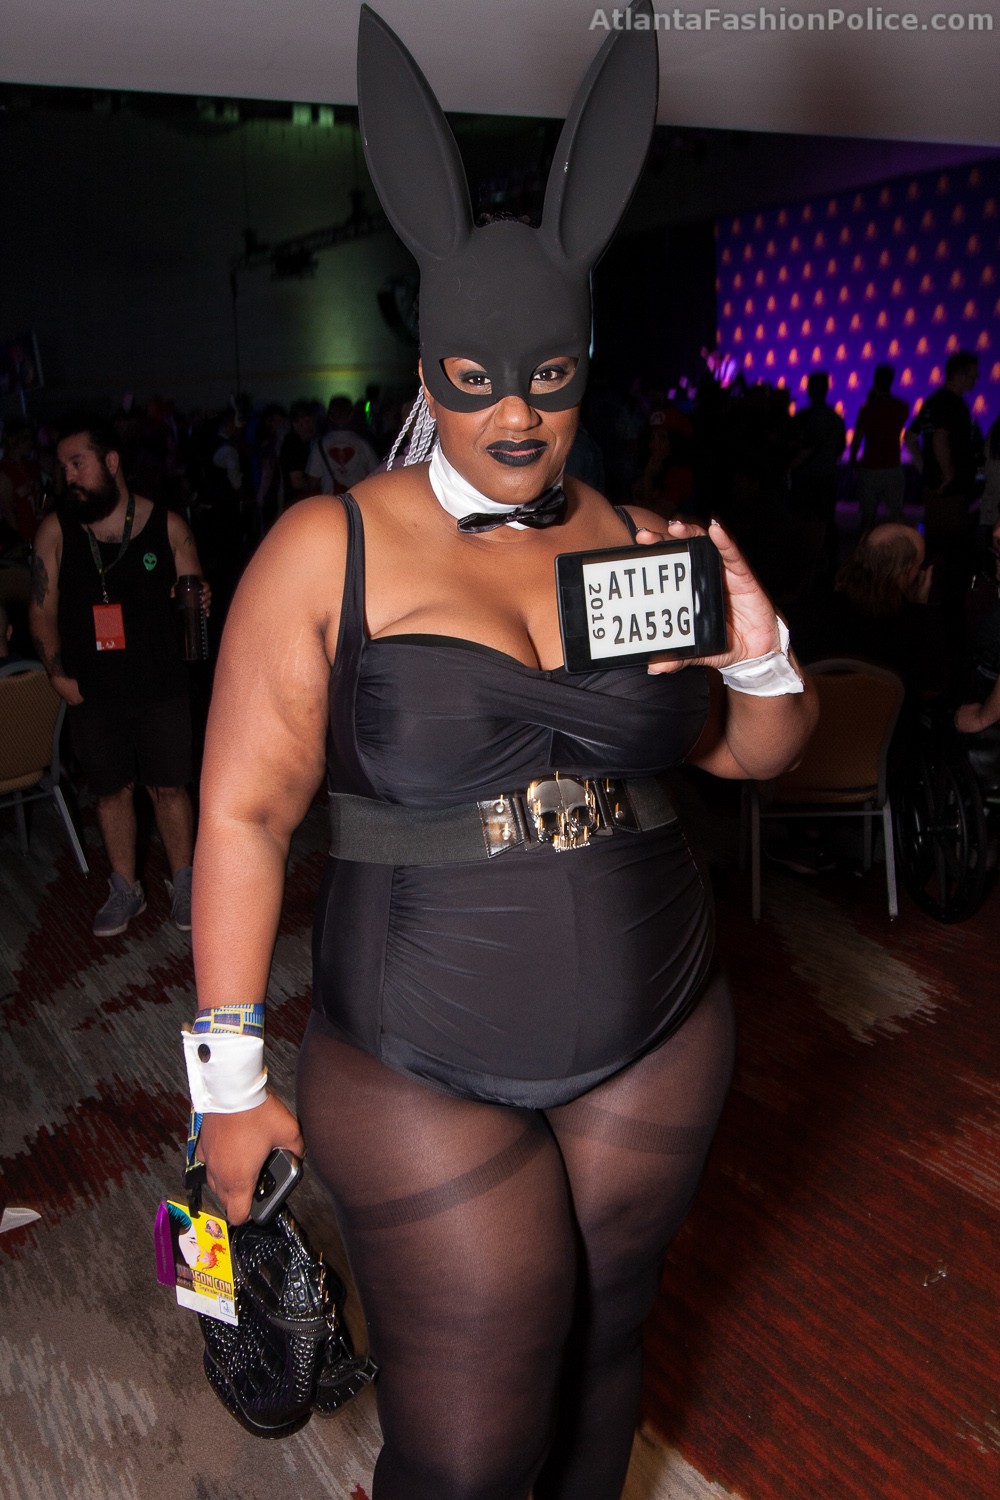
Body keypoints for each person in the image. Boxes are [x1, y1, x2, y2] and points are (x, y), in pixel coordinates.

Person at [184, 7, 817, 1499]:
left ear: (586, 363)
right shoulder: (328, 547)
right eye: (476, 379)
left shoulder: (642, 534)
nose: (519, 414)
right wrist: (226, 1082)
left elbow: (752, 754)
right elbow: (242, 815)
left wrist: (760, 653)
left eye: (550, 377)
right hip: (418, 1052)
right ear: (428, 367)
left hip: (659, 1023)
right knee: (468, 1438)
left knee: (606, 1353)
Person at [29, 414, 209, 937]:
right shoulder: (56, 530)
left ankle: (185, 883)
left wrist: (198, 597)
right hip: (93, 688)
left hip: (160, 684)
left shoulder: (167, 526)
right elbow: (41, 611)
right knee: (110, 791)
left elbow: (193, 593)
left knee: (169, 788)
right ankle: (125, 888)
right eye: (63, 467)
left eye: (77, 463)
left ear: (111, 462)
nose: (68, 476)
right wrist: (57, 673)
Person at [848, 363, 909, 531]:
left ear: (875, 381)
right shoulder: (901, 406)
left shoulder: (867, 409)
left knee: (868, 516)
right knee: (896, 514)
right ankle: (903, 546)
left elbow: (857, 439)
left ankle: (864, 546)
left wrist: (852, 460)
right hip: (892, 465)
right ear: (891, 381)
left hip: (870, 467)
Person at [306, 394, 380, 495]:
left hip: (332, 501)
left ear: (330, 416)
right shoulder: (363, 444)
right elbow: (377, 474)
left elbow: (312, 481)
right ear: (351, 415)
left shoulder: (319, 445)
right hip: (357, 499)